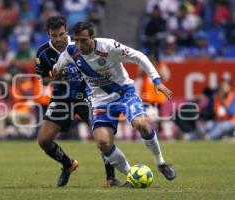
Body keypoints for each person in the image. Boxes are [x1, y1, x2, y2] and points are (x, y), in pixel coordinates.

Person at [53, 22, 176, 186]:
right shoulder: (71, 52)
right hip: (100, 100)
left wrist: (157, 81)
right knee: (102, 142)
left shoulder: (109, 46)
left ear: (92, 37)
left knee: (142, 124)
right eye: (77, 41)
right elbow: (56, 69)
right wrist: (58, 73)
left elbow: (139, 57)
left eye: (83, 40)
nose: (80, 45)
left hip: (124, 93)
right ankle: (132, 175)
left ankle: (161, 163)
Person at [36, 16, 119, 187]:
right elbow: (43, 80)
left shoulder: (81, 44)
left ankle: (111, 178)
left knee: (103, 134)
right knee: (44, 140)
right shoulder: (43, 53)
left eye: (60, 34)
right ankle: (68, 165)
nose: (58, 39)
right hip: (61, 97)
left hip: (87, 94)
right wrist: (54, 78)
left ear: (66, 30)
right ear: (48, 34)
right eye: (53, 36)